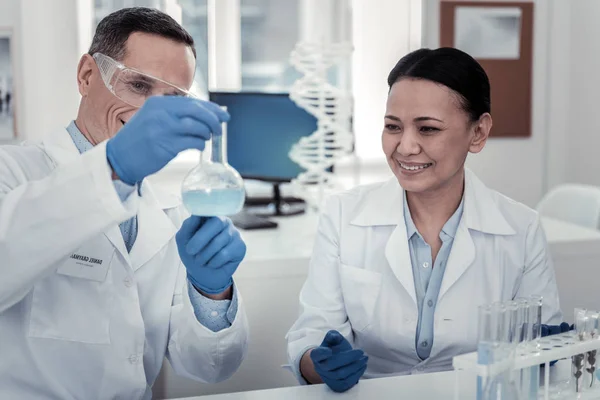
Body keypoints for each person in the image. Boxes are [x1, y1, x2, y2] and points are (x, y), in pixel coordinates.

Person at [286, 47, 569, 393]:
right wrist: (318, 362)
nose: (405, 146)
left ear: (478, 133)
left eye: (428, 129)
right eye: (393, 126)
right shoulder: (343, 215)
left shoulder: (521, 229)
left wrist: (550, 352)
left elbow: (541, 352)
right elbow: (311, 333)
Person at [0, 7, 249, 399]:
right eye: (138, 86)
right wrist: (113, 168)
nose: (152, 113)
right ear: (86, 76)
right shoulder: (11, 173)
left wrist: (211, 293)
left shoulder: (171, 211)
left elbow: (209, 367)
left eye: (172, 99)